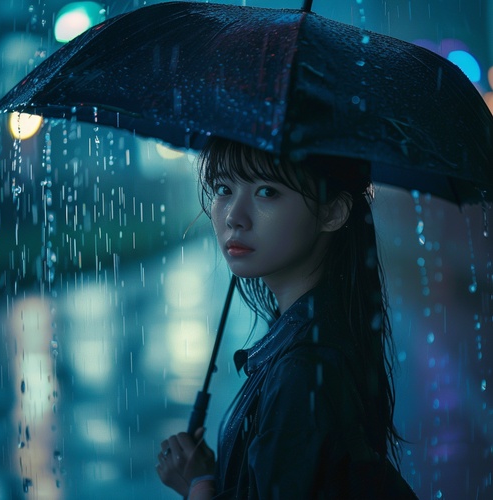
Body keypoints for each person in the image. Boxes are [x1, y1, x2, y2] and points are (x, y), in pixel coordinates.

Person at [156, 137, 418, 499]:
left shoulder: (304, 370)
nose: (234, 216)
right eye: (223, 188)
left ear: (332, 213)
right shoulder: (317, 335)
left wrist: (200, 485)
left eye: (266, 191)